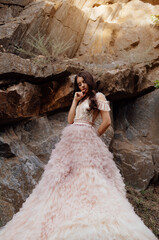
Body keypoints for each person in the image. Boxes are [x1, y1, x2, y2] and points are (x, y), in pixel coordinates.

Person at [0, 71, 157, 240]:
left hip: (85, 137)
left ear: (90, 81)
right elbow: (70, 120)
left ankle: (87, 209)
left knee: (86, 174)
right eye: (79, 83)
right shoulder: (80, 99)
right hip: (71, 139)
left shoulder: (99, 97)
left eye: (84, 82)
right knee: (63, 175)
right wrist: (74, 101)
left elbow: (107, 121)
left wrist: (93, 134)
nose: (82, 85)